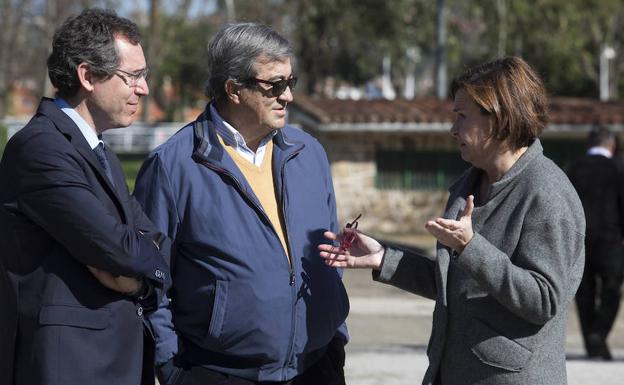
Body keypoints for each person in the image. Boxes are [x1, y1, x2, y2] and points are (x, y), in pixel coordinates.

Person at [319, 57, 585, 385]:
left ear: (498, 117)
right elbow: (458, 285)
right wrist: (383, 258)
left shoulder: (546, 193)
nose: (453, 129)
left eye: (462, 116)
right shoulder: (469, 184)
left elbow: (543, 300)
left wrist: (471, 247)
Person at [133, 22, 349, 385]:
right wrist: (170, 368)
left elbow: (329, 255)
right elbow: (148, 282)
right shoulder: (172, 166)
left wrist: (336, 337)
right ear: (233, 89)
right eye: (275, 85)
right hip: (218, 372)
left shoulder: (309, 152)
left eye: (290, 83)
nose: (288, 97)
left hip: (317, 367)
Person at [0, 9, 171, 385]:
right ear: (88, 75)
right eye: (133, 77)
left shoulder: (100, 152)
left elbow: (155, 240)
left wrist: (140, 281)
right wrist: (139, 266)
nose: (143, 89)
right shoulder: (40, 149)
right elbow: (118, 247)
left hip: (113, 361)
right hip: (70, 366)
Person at [568, 127, 624, 360]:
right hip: (611, 240)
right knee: (611, 291)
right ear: (611, 144)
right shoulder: (618, 168)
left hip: (580, 240)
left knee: (584, 293)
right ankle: (598, 334)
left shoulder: (574, 169)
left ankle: (592, 341)